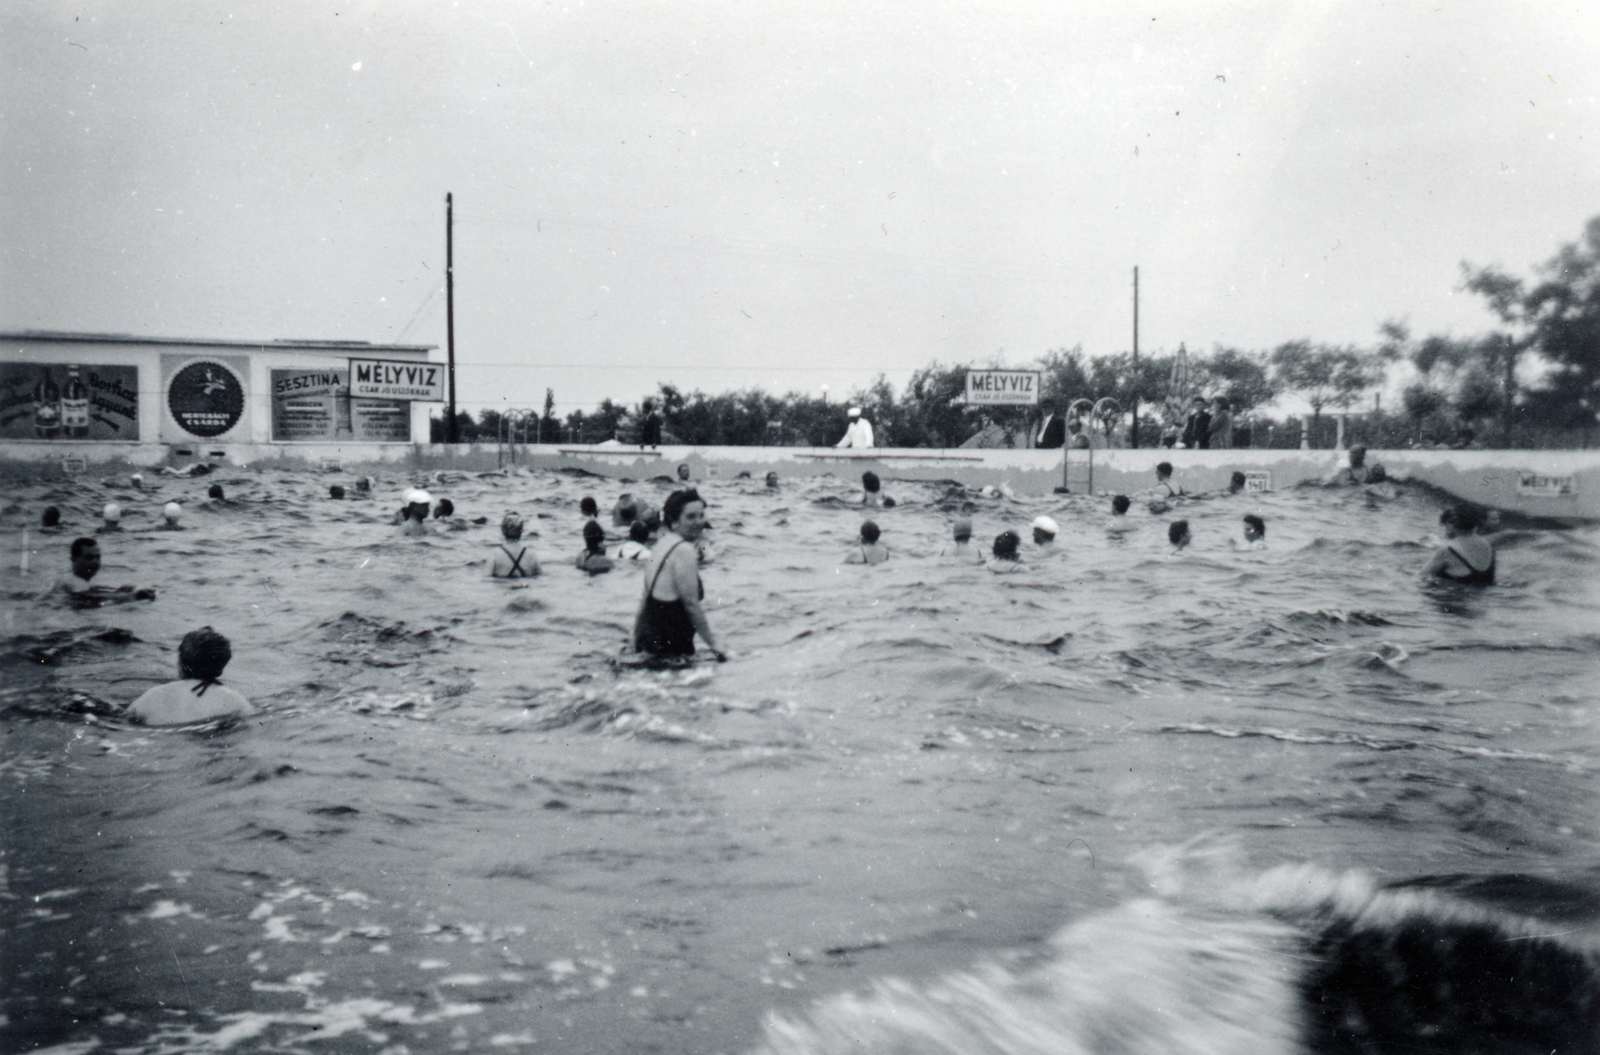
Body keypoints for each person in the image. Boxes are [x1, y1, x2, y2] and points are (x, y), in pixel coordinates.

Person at [632, 488, 724, 660]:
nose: (699, 522)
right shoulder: (684, 550)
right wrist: (714, 646)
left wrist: (634, 640)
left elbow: (644, 601)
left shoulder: (660, 545)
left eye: (701, 515)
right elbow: (691, 605)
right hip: (673, 644)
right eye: (690, 517)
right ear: (674, 521)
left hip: (649, 638)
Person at [128, 627, 253, 725]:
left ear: (180, 661)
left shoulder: (151, 696)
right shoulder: (234, 700)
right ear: (221, 666)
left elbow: (124, 719)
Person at [60, 537, 155, 605]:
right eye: (89, 557)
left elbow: (95, 593)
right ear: (74, 560)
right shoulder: (75, 582)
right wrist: (132, 596)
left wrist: (123, 589)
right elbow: (91, 597)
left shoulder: (79, 580)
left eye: (97, 557)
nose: (95, 562)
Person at [1423, 505, 1495, 585]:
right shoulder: (1489, 546)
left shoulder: (1448, 550)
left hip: (1453, 595)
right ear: (1477, 524)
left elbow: (1420, 577)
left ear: (1455, 524)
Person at [491, 513, 540, 578]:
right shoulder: (531, 555)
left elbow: (486, 579)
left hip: (504, 586)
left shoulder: (495, 554)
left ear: (503, 531)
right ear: (521, 531)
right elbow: (540, 576)